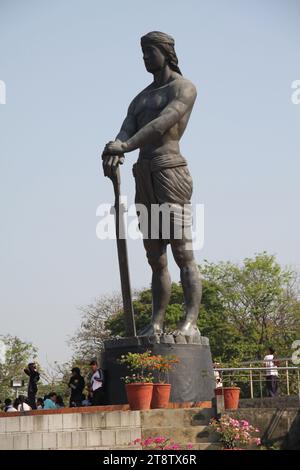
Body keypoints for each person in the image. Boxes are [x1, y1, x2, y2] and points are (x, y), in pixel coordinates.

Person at [102, 31, 201, 339]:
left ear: (165, 52)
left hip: (169, 170)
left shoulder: (183, 88)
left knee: (182, 251)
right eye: (142, 52)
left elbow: (163, 123)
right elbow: (125, 129)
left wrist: (126, 145)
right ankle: (156, 322)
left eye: (149, 52)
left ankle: (190, 321)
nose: (144, 58)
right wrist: (113, 149)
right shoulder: (140, 98)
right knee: (154, 255)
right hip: (143, 175)